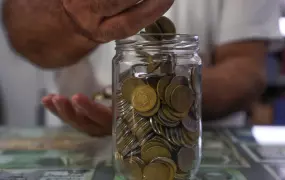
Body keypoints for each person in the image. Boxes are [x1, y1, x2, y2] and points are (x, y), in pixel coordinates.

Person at [2, 0, 282, 136]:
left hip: (199, 139)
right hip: (78, 132)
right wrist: (68, 18)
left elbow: (246, 70)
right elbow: (22, 33)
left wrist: (153, 103)